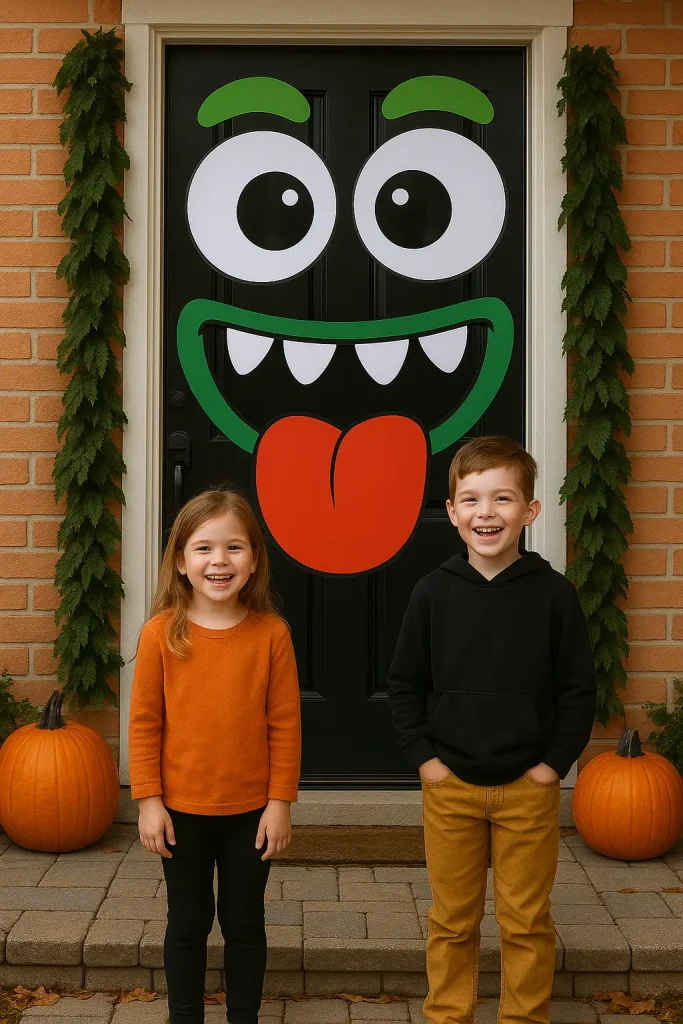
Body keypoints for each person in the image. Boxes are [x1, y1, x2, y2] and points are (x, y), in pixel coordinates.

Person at [386, 436, 596, 1024]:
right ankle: (448, 1015)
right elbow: (404, 685)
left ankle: (523, 1018)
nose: (487, 512)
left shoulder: (554, 596)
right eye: (472, 499)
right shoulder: (432, 593)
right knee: (453, 918)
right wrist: (427, 761)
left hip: (527, 789)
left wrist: (551, 765)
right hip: (450, 785)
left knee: (525, 920)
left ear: (530, 510)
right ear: (451, 512)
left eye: (503, 498)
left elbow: (579, 691)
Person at [128, 488, 301, 1024]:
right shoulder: (160, 635)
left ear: (253, 562)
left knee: (245, 923)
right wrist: (148, 801)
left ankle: (242, 1017)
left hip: (250, 812)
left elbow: (286, 726)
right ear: (180, 561)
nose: (219, 561)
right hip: (180, 813)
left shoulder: (272, 635)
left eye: (234, 548)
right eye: (204, 549)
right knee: (187, 923)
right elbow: (144, 725)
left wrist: (280, 803)